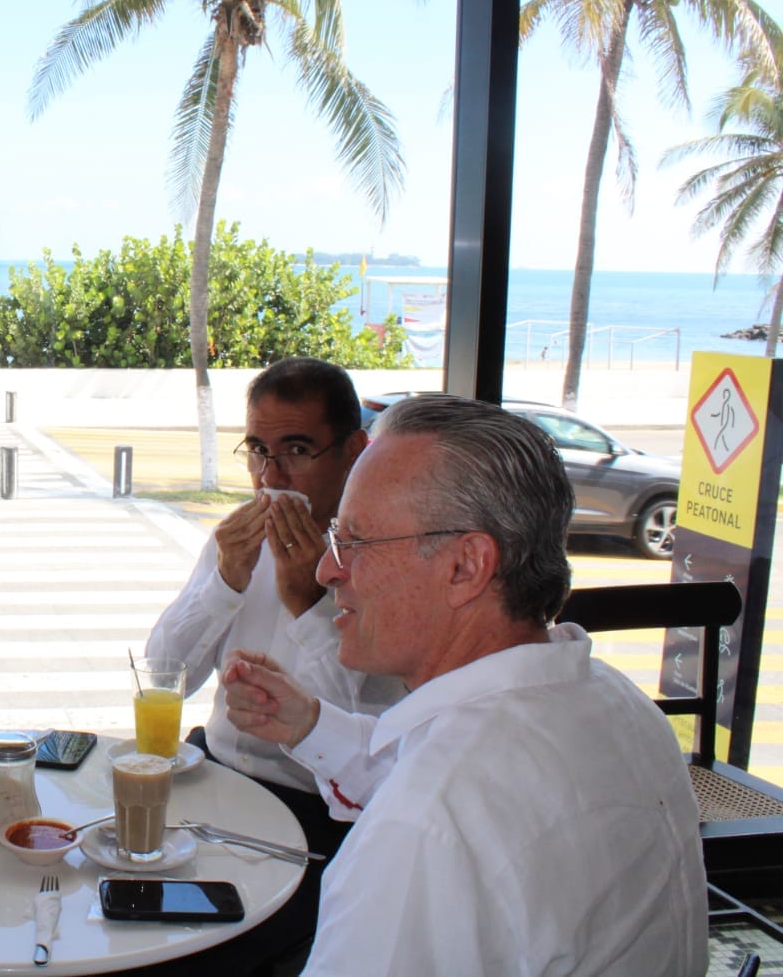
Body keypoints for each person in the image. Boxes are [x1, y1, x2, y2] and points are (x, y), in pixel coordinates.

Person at [224, 394, 706, 974]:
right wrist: (308, 723)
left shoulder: (424, 829)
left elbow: (441, 807)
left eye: (355, 542)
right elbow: (445, 778)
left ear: (466, 566)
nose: (327, 570)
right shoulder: (614, 702)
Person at [146, 358, 403, 853]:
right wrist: (224, 583)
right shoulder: (237, 541)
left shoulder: (387, 561)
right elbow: (162, 677)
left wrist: (311, 604)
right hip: (214, 770)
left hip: (320, 806)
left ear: (354, 451)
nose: (270, 476)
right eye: (258, 451)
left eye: (297, 450)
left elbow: (367, 743)